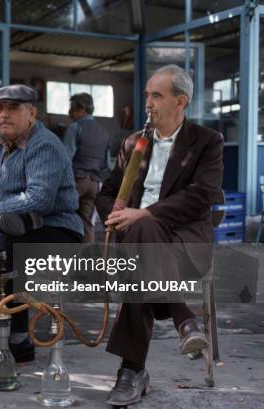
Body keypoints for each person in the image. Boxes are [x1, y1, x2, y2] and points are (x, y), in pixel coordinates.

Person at [95, 65, 223, 406]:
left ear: (180, 101)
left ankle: (131, 370)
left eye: (157, 96)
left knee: (144, 232)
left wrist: (145, 213)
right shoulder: (133, 143)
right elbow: (106, 193)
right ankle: (183, 318)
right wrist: (118, 213)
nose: (148, 103)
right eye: (147, 95)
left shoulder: (207, 142)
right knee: (142, 234)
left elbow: (202, 195)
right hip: (138, 241)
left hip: (184, 242)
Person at [0, 84, 83, 364]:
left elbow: (39, 198)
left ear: (32, 113)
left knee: (1, 245)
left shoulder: (44, 145)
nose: (4, 115)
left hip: (57, 230)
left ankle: (16, 342)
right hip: (17, 226)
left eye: (13, 108)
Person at [63, 92, 110, 243]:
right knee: (87, 225)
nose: (69, 113)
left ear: (81, 108)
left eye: (71, 109)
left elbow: (65, 158)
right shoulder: (104, 132)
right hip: (96, 184)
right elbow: (106, 165)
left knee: (62, 219)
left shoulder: (75, 127)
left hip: (76, 182)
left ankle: (64, 262)